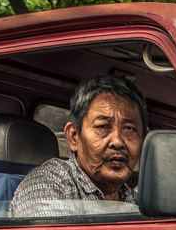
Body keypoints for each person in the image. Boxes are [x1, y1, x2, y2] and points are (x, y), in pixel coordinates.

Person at [10, 75, 147, 218]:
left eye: (129, 129)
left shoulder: (138, 202)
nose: (117, 142)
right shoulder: (48, 183)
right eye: (103, 127)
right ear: (74, 137)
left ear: (144, 139)